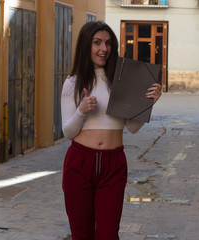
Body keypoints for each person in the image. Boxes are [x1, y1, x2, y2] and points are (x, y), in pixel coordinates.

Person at [60, 21, 162, 240]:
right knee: (81, 233)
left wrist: (148, 104)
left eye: (107, 43)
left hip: (113, 165)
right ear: (86, 46)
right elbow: (67, 132)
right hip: (80, 163)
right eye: (97, 43)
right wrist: (81, 111)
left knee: (108, 234)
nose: (103, 49)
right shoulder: (73, 83)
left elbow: (132, 128)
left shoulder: (121, 81)